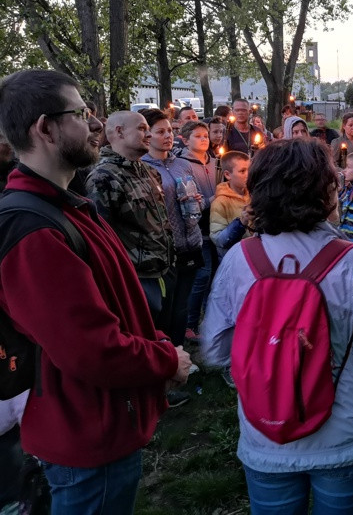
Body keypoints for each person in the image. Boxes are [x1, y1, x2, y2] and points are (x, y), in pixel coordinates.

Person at [0, 69, 191, 513]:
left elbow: (114, 307)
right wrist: (166, 360)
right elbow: (91, 349)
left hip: (106, 423)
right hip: (88, 438)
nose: (95, 125)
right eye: (81, 113)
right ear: (44, 128)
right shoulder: (31, 229)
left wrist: (156, 342)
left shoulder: (66, 205)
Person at [200, 138, 353, 514]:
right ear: (323, 191)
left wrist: (263, 368)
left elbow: (214, 349)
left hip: (265, 433)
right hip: (344, 434)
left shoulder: (241, 260)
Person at [85, 111, 175, 333]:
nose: (148, 134)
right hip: (134, 278)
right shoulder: (104, 178)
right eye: (142, 129)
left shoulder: (148, 171)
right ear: (119, 132)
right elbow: (100, 238)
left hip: (161, 269)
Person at [141, 108, 204, 348]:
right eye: (160, 132)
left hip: (190, 241)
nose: (167, 136)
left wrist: (196, 200)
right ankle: (164, 352)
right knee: (165, 307)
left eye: (169, 130)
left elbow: (197, 195)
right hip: (165, 248)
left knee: (182, 306)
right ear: (147, 135)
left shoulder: (182, 164)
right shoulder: (145, 168)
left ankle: (179, 351)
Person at [177, 121, 219, 341]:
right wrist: (213, 199)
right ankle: (189, 325)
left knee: (213, 277)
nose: (204, 139)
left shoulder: (214, 162)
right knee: (202, 276)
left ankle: (208, 319)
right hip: (197, 228)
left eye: (206, 136)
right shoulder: (181, 164)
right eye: (198, 136)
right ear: (185, 140)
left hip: (217, 224)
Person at [210, 150, 251, 260]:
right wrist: (241, 223)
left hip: (254, 256)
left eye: (249, 170)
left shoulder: (253, 195)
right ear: (228, 175)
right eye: (242, 171)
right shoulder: (221, 202)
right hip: (234, 259)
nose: (247, 175)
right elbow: (219, 240)